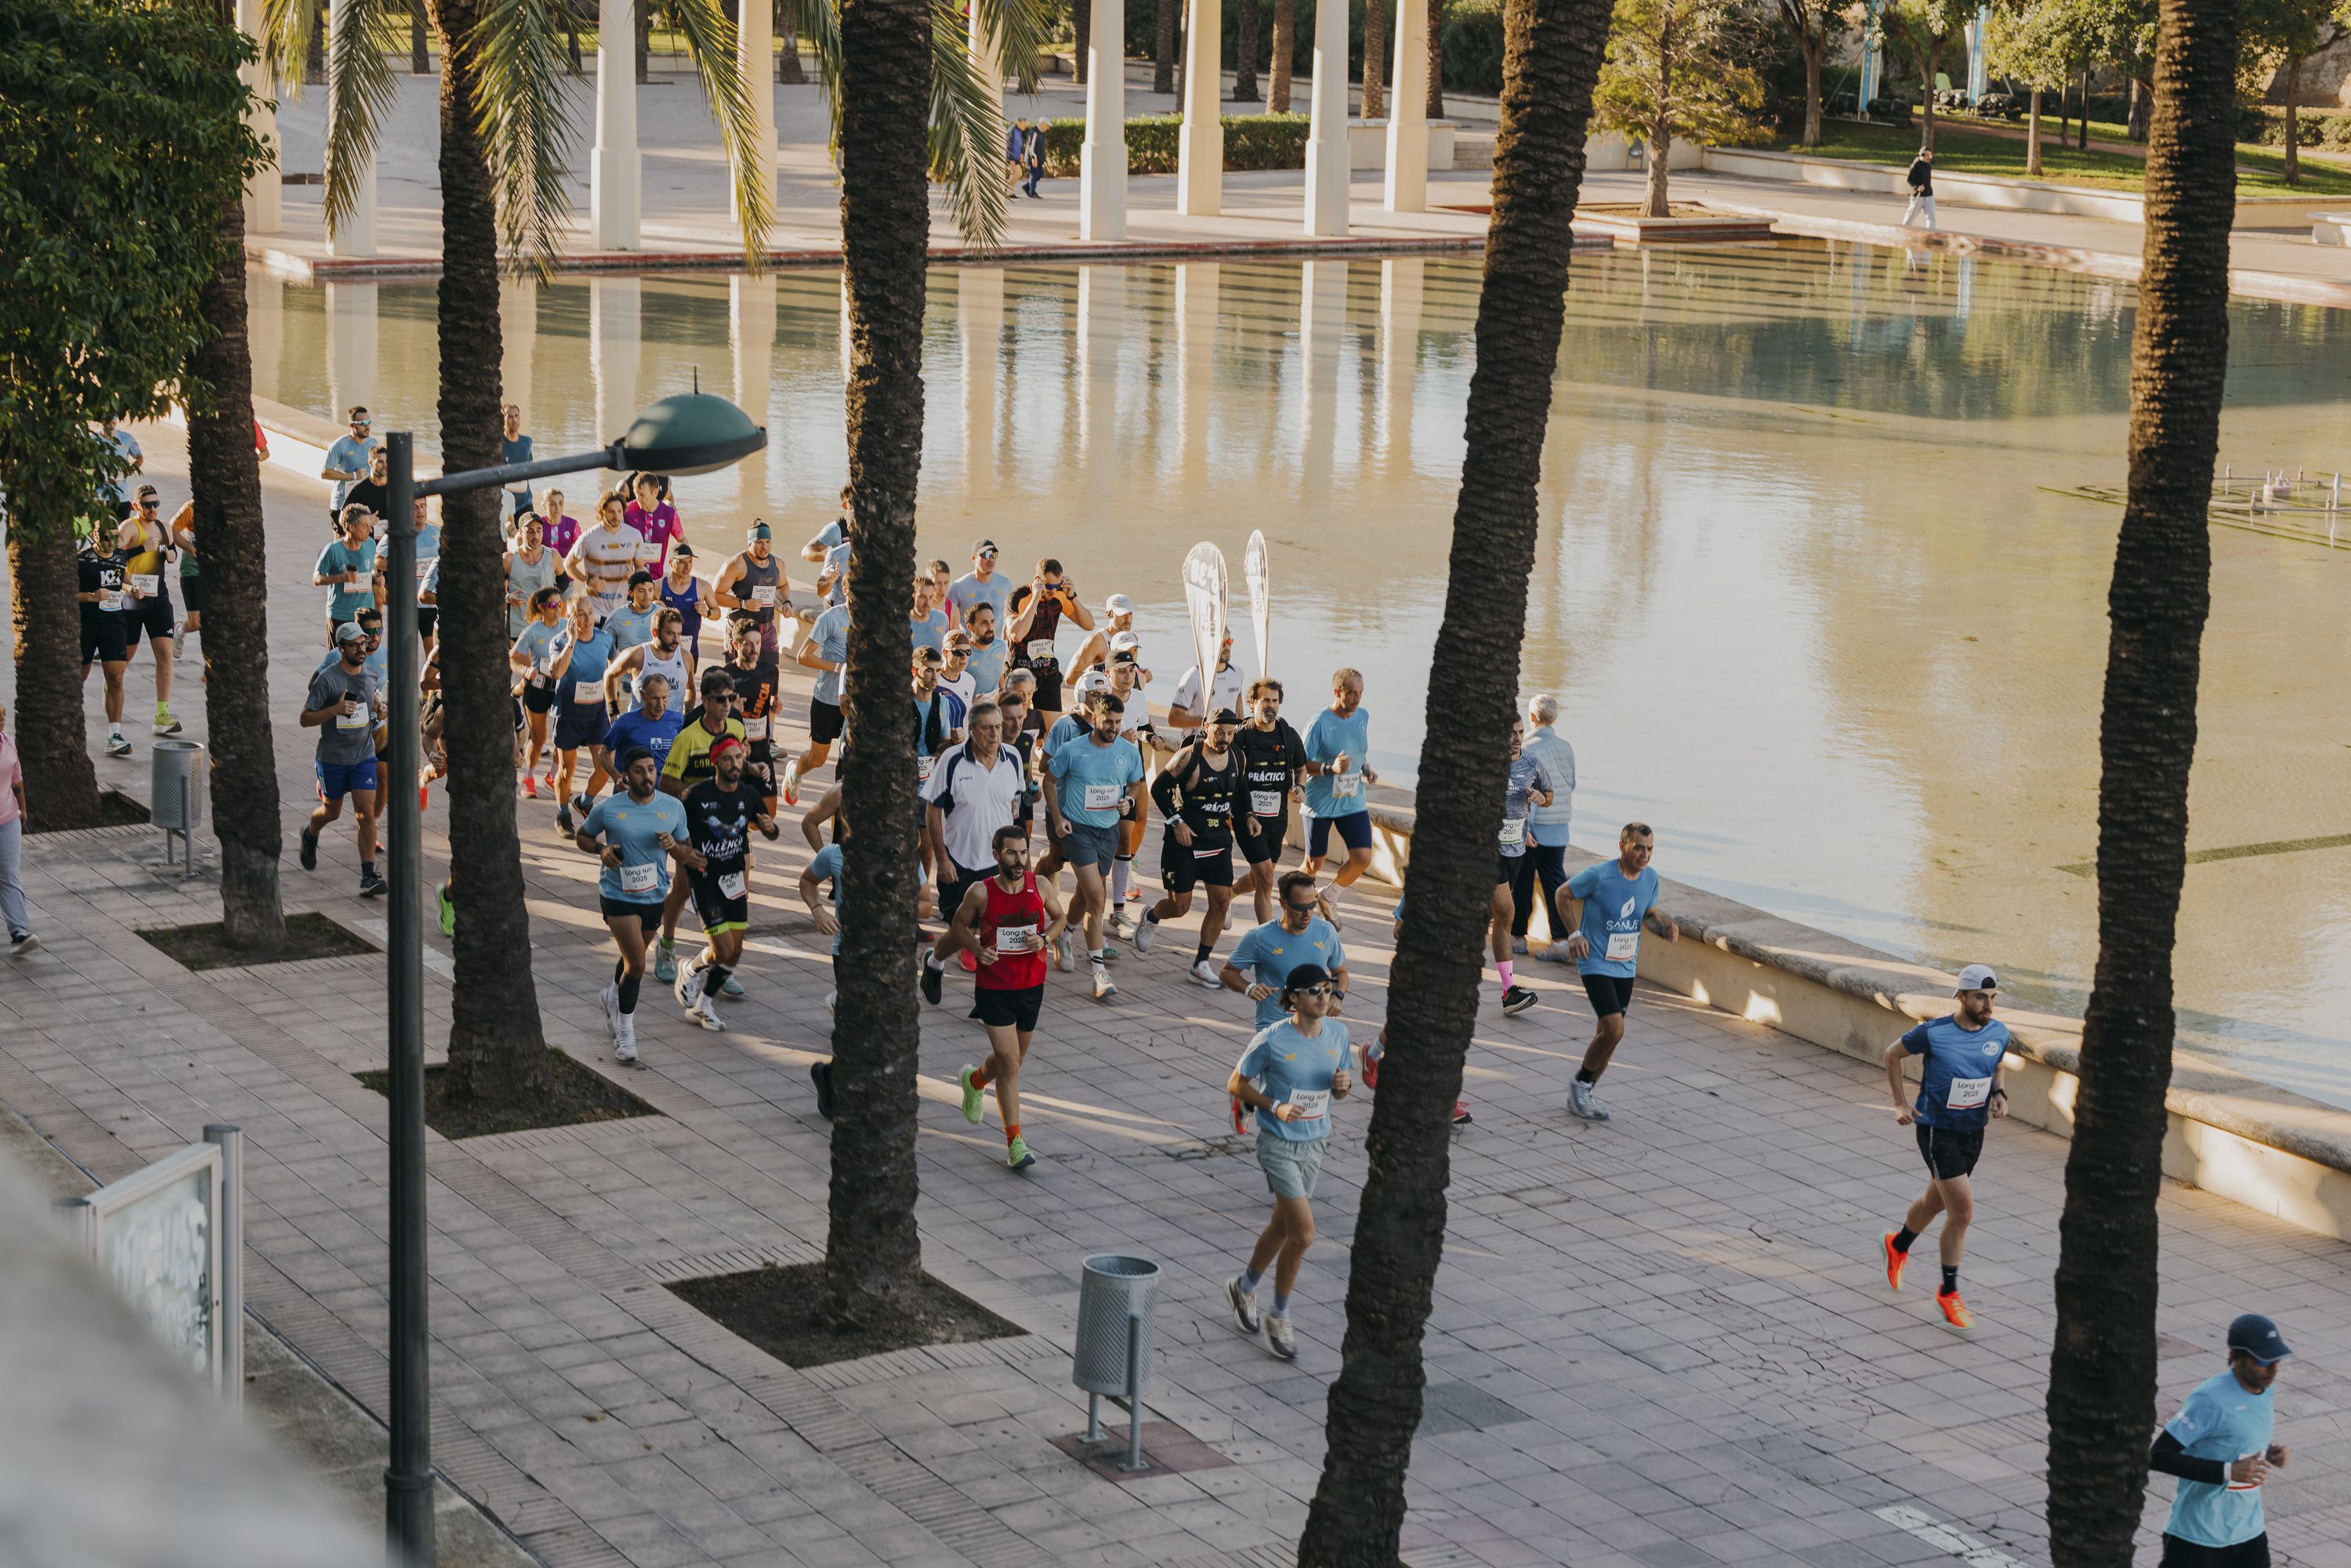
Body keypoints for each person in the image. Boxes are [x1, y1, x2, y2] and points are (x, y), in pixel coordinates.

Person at [1223, 962, 1353, 1362]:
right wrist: (1275, 1105)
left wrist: (1343, 1086)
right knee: (1304, 1235)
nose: (1324, 996)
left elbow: (1340, 1090)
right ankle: (1279, 1315)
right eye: (1314, 990)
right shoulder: (1272, 1039)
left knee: (1282, 1227)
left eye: (1327, 988)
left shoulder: (1339, 1034)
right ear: (1293, 998)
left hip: (1315, 1144)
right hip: (1278, 1144)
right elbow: (1236, 1084)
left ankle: (1244, 1287)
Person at [1879, 964, 2010, 1331]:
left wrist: (1999, 1093)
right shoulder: (1933, 1033)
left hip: (1974, 1132)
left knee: (1935, 1203)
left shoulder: (1999, 1033)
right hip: (1937, 1131)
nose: (1988, 1005)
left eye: (1993, 998)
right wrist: (1900, 1104)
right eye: (1980, 997)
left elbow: (1998, 1064)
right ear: (1961, 997)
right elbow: (1892, 1054)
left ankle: (1898, 1245)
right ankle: (1948, 1293)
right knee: (1962, 1214)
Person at [949, 825, 1069, 1171]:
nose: (1019, 860)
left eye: (1024, 852)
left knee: (1012, 1061)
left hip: (1032, 986)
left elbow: (1060, 918)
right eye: (1011, 853)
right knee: (1010, 1063)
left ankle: (974, 1081)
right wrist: (976, 950)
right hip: (995, 988)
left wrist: (1045, 939)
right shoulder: (980, 892)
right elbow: (958, 925)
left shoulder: (1040, 885)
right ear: (996, 855)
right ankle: (1015, 1143)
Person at [2149, 1315, 2295, 1568]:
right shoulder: (2210, 1399)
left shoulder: (2266, 1390)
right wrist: (2228, 1471)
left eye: (2276, 1359)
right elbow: (2158, 1456)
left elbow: (2236, 1436)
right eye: (2263, 1361)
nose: (2273, 1369)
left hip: (2249, 1534)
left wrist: (2270, 1451)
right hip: (2198, 1539)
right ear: (2235, 1356)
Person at [577, 746, 691, 1063]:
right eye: (639, 771)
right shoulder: (609, 808)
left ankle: (612, 996)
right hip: (617, 895)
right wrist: (601, 850)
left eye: (651, 769)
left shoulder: (672, 808)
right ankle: (625, 1032)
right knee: (638, 965)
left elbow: (687, 852)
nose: (647, 776)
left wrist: (674, 847)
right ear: (627, 775)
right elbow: (583, 837)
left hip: (653, 896)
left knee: (632, 958)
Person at [1558, 822, 1678, 1121]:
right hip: (1595, 961)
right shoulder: (1600, 875)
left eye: (1649, 849)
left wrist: (1663, 929)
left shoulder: (1651, 878)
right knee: (1614, 1029)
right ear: (1622, 846)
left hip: (1625, 965)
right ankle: (1580, 1084)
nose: (1645, 855)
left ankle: (1585, 1092)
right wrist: (1574, 934)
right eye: (1638, 848)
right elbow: (1562, 895)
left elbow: (1648, 915)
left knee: (1609, 1036)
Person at [1041, 690, 1147, 1001]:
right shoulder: (1073, 750)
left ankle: (1066, 934)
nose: (1114, 727)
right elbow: (1048, 780)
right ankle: (1099, 973)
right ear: (1095, 718)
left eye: (1118, 722)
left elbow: (1136, 785)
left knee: (1085, 895)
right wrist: (1058, 818)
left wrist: (1129, 801)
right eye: (1108, 721)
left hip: (1108, 832)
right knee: (1098, 898)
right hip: (1077, 830)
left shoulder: (1128, 751)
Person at [921, 701, 1027, 1004]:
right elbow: (932, 811)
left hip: (999, 863)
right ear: (971, 730)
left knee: (998, 932)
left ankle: (988, 1002)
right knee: (961, 930)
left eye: (998, 727)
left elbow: (1014, 811)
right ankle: (934, 962)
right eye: (987, 728)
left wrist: (1022, 859)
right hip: (960, 861)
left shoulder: (1013, 758)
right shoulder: (953, 760)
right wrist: (942, 860)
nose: (995, 734)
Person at [672, 736, 777, 1031]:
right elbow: (673, 826)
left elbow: (770, 830)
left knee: (735, 951)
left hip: (733, 879)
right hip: (705, 879)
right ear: (715, 761)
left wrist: (771, 828)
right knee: (721, 949)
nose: (734, 764)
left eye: (738, 758)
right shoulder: (695, 795)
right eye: (728, 758)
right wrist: (684, 852)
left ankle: (702, 1005)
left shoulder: (748, 793)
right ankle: (690, 969)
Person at [652, 667, 748, 981]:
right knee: (682, 889)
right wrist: (697, 796)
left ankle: (724, 961)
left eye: (731, 698)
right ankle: (667, 943)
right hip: (694, 828)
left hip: (730, 828)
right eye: (720, 699)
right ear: (705, 701)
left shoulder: (737, 727)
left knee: (732, 890)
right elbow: (666, 782)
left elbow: (740, 765)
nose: (727, 704)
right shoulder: (688, 738)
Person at [1139, 708, 1242, 987]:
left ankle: (1201, 963)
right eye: (1219, 732)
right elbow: (1158, 789)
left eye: (1230, 733)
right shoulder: (1188, 756)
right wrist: (1176, 822)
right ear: (1206, 728)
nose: (1225, 738)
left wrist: (1249, 817)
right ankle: (1152, 916)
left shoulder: (1237, 757)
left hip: (1218, 842)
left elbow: (1241, 793)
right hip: (1184, 844)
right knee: (1179, 907)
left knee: (1221, 903)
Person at [298, 621, 386, 898]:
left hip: (363, 755)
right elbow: (305, 718)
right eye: (354, 645)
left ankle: (368, 875)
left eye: (363, 644)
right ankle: (310, 833)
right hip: (333, 758)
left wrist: (380, 709)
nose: (361, 649)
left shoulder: (371, 674)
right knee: (331, 812)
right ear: (341, 648)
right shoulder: (328, 679)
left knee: (366, 814)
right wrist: (335, 709)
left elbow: (371, 702)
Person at [1222, 871, 1349, 1037]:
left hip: (1314, 1029)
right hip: (1274, 1030)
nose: (1307, 914)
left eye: (1312, 905)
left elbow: (1341, 972)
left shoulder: (1326, 931)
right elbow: (1227, 972)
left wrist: (1337, 995)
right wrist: (1249, 988)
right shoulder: (1259, 937)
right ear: (1283, 903)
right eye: (1300, 907)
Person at [1488, 720, 1556, 1017]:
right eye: (1509, 732)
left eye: (1519, 732)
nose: (1516, 738)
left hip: (1516, 851)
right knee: (1506, 912)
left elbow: (1550, 793)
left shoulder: (1532, 762)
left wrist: (1542, 798)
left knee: (1495, 917)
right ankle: (1509, 991)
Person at [1301, 668, 1378, 913]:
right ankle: (1296, 902)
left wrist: (1365, 768)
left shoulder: (1363, 716)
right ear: (1337, 692)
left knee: (1362, 858)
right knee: (1314, 863)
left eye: (1361, 693)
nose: (1357, 699)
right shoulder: (1319, 723)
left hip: (1352, 800)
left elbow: (1358, 751)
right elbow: (1300, 763)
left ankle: (1329, 896)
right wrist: (1329, 768)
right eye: (1352, 693)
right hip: (1320, 802)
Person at [1233, 678, 1309, 925]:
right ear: (1253, 703)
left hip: (1277, 820)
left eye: (1275, 701)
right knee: (1266, 879)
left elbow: (1301, 768)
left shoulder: (1288, 735)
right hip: (1248, 818)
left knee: (1259, 878)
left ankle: (1227, 895)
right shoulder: (1242, 736)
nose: (1271, 706)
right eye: (1265, 700)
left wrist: (1300, 787)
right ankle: (1268, 937)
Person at [114, 486, 181, 737]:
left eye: (156, 504)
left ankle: (162, 715)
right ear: (136, 506)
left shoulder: (165, 528)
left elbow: (171, 551)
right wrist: (141, 548)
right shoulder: (129, 528)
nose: (152, 509)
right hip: (133, 600)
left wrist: (171, 554)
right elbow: (113, 558)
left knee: (165, 654)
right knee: (125, 658)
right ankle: (112, 687)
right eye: (147, 505)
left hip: (158, 600)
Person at [550, 595, 619, 834]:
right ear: (571, 618)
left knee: (605, 768)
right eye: (581, 614)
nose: (588, 619)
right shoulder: (559, 641)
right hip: (569, 715)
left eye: (590, 612)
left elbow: (615, 668)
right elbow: (557, 673)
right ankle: (562, 815)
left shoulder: (605, 639)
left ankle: (584, 802)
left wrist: (613, 703)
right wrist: (572, 642)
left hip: (597, 715)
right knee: (566, 771)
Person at [1520, 694, 1579, 959]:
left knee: (1522, 881)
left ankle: (1517, 937)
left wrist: (1524, 828)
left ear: (1532, 717)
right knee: (1555, 882)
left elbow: (1525, 791)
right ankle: (1561, 941)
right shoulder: (1566, 747)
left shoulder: (1527, 747)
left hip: (1534, 827)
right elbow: (1571, 784)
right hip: (1559, 827)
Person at [781, 586, 850, 806]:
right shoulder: (831, 618)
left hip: (855, 703)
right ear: (846, 589)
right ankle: (795, 772)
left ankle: (842, 806)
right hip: (827, 699)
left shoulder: (872, 620)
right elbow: (803, 656)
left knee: (849, 758)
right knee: (818, 758)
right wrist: (839, 668)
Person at [1005, 559, 1092, 730]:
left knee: (1052, 731)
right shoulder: (1018, 597)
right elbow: (1016, 635)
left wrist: (1072, 596)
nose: (1053, 590)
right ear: (1037, 580)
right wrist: (1035, 600)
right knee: (1015, 728)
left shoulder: (1060, 595)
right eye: (1049, 586)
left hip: (1046, 670)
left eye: (1057, 585)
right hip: (1020, 669)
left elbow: (1089, 625)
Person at [78, 519, 136, 758]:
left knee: (116, 679)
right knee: (79, 677)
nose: (111, 542)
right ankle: (70, 728)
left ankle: (115, 736)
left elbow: (122, 579)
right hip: (87, 625)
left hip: (114, 624)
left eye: (115, 537)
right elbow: (66, 592)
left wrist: (132, 589)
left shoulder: (121, 556)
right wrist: (91, 596)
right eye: (106, 537)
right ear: (95, 535)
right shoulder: (81, 559)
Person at [509, 585, 568, 796]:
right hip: (538, 689)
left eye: (559, 604)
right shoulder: (532, 631)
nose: (557, 609)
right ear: (541, 607)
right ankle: (529, 778)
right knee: (539, 738)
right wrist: (524, 670)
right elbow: (513, 659)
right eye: (552, 605)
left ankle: (552, 776)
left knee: (565, 737)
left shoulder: (567, 626)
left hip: (561, 688)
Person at [722, 614, 783, 817]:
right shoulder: (726, 675)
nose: (755, 648)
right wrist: (732, 711)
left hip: (761, 749)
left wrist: (775, 705)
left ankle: (746, 830)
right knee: (732, 810)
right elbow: (713, 716)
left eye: (757, 642)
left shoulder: (770, 671)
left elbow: (773, 699)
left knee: (769, 813)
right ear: (736, 645)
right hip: (734, 752)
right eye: (748, 643)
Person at [713, 522, 791, 657]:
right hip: (741, 629)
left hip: (766, 629)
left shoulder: (778, 564)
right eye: (759, 542)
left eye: (768, 542)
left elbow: (783, 586)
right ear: (750, 543)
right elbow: (715, 594)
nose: (765, 547)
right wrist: (743, 604)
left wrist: (787, 602)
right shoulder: (736, 564)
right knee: (738, 671)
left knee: (771, 671)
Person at [566, 493, 647, 621]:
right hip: (595, 608)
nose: (616, 516)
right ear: (602, 511)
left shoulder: (634, 536)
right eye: (611, 512)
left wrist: (635, 578)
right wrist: (587, 580)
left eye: (619, 511)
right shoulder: (588, 538)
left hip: (624, 607)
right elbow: (568, 565)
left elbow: (640, 567)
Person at [603, 604, 690, 719]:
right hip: (639, 727)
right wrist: (613, 712)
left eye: (679, 634)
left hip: (672, 727)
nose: (676, 640)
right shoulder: (637, 655)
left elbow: (690, 687)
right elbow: (610, 675)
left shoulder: (686, 657)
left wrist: (688, 715)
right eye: (670, 633)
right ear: (655, 633)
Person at [313, 504, 381, 647]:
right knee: (339, 657)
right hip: (340, 616)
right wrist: (341, 578)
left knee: (368, 657)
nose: (370, 530)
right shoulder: (333, 550)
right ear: (351, 527)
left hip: (366, 616)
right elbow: (317, 578)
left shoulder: (370, 544)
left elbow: (372, 568)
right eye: (365, 526)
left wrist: (376, 577)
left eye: (370, 525)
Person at [1168, 630, 1246, 744]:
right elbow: (1173, 719)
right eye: (1223, 643)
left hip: (1225, 742)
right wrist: (1208, 721)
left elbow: (1239, 715)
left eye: (1229, 642)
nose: (1227, 647)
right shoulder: (1193, 676)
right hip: (1196, 742)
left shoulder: (1237, 673)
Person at [0, 698, 34, 955]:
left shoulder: (9, 742)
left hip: (8, 819)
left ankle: (19, 931)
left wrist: (22, 810)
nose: (2, 719)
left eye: (3, 714)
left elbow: (17, 780)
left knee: (9, 874)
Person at [503, 512, 559, 641]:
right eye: (531, 531)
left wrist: (553, 599)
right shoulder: (509, 559)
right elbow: (493, 590)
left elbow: (564, 582)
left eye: (539, 530)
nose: (536, 536)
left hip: (546, 626)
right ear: (521, 533)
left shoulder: (553, 556)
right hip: (517, 628)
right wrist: (508, 598)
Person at [319, 407, 377, 530]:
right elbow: (325, 473)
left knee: (367, 540)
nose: (368, 427)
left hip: (365, 504)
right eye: (363, 423)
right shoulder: (339, 445)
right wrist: (353, 476)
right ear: (352, 425)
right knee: (342, 541)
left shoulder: (373, 443)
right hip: (342, 504)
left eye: (369, 422)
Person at [622, 472, 686, 572]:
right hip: (632, 576)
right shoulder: (626, 511)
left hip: (658, 577)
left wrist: (680, 560)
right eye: (636, 494)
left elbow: (682, 540)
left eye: (642, 495)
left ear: (655, 493)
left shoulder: (669, 514)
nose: (638, 499)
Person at [946, 538, 1012, 636]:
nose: (990, 559)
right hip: (969, 645)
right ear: (974, 558)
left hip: (998, 644)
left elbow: (1009, 618)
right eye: (986, 554)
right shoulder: (958, 587)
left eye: (994, 554)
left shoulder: (1005, 584)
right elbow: (946, 620)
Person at [99, 418, 143, 520]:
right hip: (100, 498)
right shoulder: (93, 440)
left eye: (114, 416)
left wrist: (129, 471)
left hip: (121, 498)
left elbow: (139, 458)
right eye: (107, 416)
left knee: (122, 530)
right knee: (101, 530)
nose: (111, 419)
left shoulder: (126, 438)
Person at [961, 602, 1007, 696]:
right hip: (970, 705)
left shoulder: (1001, 646)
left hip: (994, 704)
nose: (990, 627)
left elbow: (1000, 676)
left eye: (992, 621)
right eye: (984, 623)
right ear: (970, 627)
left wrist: (1004, 693)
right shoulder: (962, 654)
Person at [536, 491, 581, 582]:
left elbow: (581, 549)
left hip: (567, 577)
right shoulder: (538, 524)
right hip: (543, 577)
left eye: (560, 503)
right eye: (552, 504)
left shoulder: (572, 524)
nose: (557, 508)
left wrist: (570, 562)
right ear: (544, 505)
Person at [499, 404, 534, 519]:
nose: (514, 420)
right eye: (510, 417)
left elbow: (531, 467)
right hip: (504, 504)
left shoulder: (527, 442)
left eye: (516, 416)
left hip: (526, 503)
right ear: (503, 419)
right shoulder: (497, 445)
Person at [344, 444, 393, 523]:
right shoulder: (358, 491)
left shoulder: (398, 488)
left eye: (387, 461)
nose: (385, 465)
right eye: (380, 462)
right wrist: (364, 519)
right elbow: (343, 518)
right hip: (367, 531)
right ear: (370, 463)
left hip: (393, 531)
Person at [910, 573, 949, 654]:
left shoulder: (943, 619)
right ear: (913, 595)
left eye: (931, 597)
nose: (927, 602)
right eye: (922, 597)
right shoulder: (902, 623)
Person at [1903, 147, 1936, 229]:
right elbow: (1910, 180)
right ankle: (1903, 229)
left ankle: (1932, 232)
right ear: (1922, 155)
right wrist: (1917, 187)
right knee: (1911, 216)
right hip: (1918, 196)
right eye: (1927, 155)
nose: (1930, 157)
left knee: (1931, 216)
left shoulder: (1928, 166)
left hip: (1929, 195)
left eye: (1930, 155)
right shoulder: (1915, 165)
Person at [1020, 117, 1045, 198]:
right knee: (1034, 175)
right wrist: (1034, 158)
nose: (1048, 128)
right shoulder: (1034, 132)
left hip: (1037, 160)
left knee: (1040, 174)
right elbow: (1031, 147)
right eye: (1047, 126)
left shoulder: (1039, 133)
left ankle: (1027, 187)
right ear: (1042, 124)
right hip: (1032, 159)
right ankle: (1032, 192)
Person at [1004, 115, 1027, 191]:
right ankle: (1004, 186)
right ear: (1018, 123)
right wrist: (1011, 159)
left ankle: (1011, 193)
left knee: (1013, 175)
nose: (1025, 126)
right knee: (1019, 174)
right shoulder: (1012, 130)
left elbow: (1020, 144)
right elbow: (1009, 145)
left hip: (1016, 157)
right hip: (1012, 157)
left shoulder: (1019, 131)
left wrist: (1022, 153)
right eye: (1024, 124)